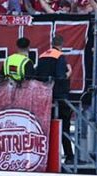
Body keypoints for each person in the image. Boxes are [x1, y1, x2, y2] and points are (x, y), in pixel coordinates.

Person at [32, 34, 75, 164]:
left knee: (46, 128)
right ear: (62, 45)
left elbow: (37, 75)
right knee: (64, 128)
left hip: (44, 98)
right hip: (59, 97)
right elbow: (60, 76)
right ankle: (69, 156)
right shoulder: (59, 56)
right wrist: (69, 72)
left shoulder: (42, 55)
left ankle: (45, 156)